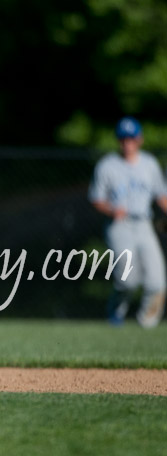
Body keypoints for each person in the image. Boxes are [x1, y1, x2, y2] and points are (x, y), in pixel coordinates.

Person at [89, 116, 167, 328]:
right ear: (118, 140)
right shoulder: (107, 166)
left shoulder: (149, 164)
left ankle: (146, 325)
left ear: (139, 139)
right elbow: (96, 199)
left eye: (131, 138)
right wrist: (111, 209)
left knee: (157, 282)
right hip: (119, 225)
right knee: (127, 280)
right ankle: (116, 312)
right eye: (123, 139)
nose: (127, 143)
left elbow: (161, 195)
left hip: (144, 224)